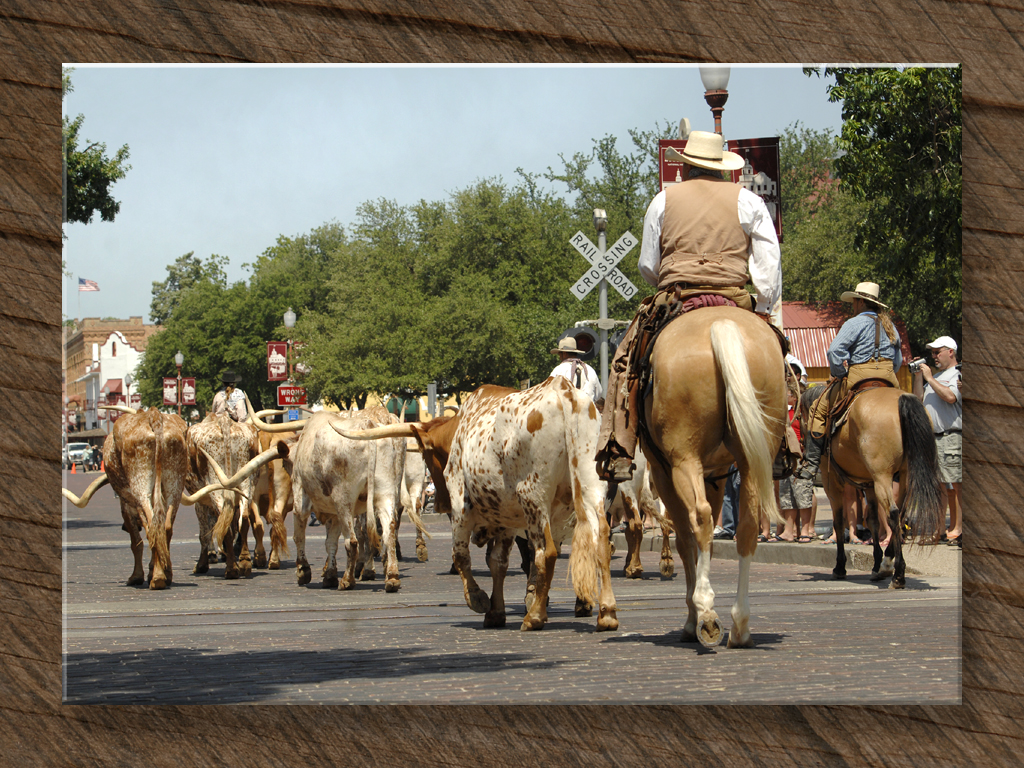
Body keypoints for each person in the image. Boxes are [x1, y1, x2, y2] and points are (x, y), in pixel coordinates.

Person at [595, 130, 782, 481]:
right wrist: (765, 306)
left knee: (626, 362)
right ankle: (782, 444)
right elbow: (769, 265)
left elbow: (648, 266)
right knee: (779, 362)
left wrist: (667, 282)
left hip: (678, 296)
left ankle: (620, 446)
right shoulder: (749, 201)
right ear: (721, 169)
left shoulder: (663, 200)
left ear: (686, 169)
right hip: (734, 296)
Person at [797, 281, 902, 547]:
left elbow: (835, 352)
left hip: (859, 378)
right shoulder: (890, 326)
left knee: (820, 407)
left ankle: (811, 463)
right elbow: (899, 360)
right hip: (890, 379)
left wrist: (841, 372)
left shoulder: (854, 323)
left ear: (858, 302)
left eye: (853, 301)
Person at [913, 335, 962, 547]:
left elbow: (951, 397)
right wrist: (918, 377)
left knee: (957, 484)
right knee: (938, 487)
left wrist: (931, 379)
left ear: (950, 351)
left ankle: (958, 529)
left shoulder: (956, 373)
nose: (934, 356)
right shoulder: (938, 375)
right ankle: (940, 530)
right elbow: (917, 400)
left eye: (937, 352)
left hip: (952, 436)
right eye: (932, 353)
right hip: (933, 438)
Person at [549, 337, 602, 403]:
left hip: (565, 412)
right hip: (587, 411)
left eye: (560, 353)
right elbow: (599, 393)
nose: (559, 356)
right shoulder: (590, 370)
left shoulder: (558, 370)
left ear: (564, 353)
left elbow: (549, 393)